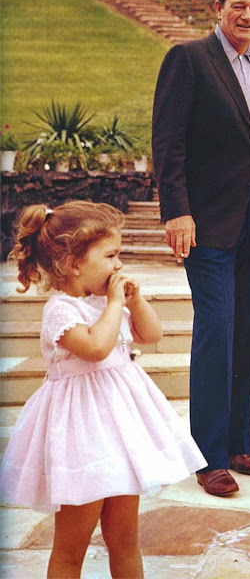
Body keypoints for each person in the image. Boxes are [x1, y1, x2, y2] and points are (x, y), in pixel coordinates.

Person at [1, 200, 206, 578]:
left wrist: (134, 300)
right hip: (82, 437)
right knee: (70, 548)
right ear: (73, 263)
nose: (119, 265)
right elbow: (96, 349)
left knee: (125, 539)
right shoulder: (61, 310)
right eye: (111, 255)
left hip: (120, 431)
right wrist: (115, 303)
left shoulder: (107, 303)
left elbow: (152, 334)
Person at [152, 0, 250, 497]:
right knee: (217, 327)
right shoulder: (188, 59)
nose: (248, 15)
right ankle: (208, 457)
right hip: (206, 222)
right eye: (239, 5)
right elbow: (168, 142)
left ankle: (237, 443)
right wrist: (177, 212)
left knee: (248, 331)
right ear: (219, 7)